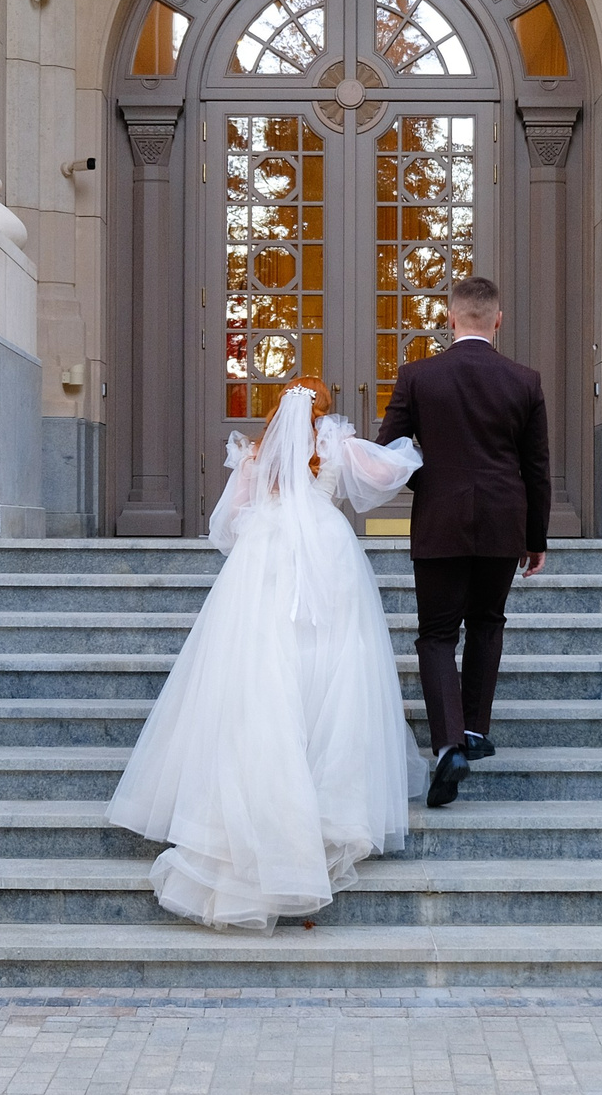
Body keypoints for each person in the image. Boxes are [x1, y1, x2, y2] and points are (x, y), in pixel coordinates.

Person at [107, 377, 425, 930]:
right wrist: (413, 446)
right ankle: (327, 802)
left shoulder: (258, 454)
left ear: (280, 410)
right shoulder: (335, 444)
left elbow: (227, 527)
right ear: (324, 411)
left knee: (259, 668)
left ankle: (262, 808)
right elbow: (390, 473)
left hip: (266, 560)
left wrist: (263, 521)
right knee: (333, 669)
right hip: (328, 558)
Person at [374, 277, 551, 808]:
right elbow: (536, 468)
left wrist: (429, 486)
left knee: (435, 635)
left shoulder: (417, 376)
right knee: (488, 624)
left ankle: (448, 743)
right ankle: (474, 730)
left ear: (450, 318)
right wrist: (534, 536)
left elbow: (390, 453)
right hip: (503, 522)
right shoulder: (525, 380)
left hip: (440, 522)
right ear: (498, 320)